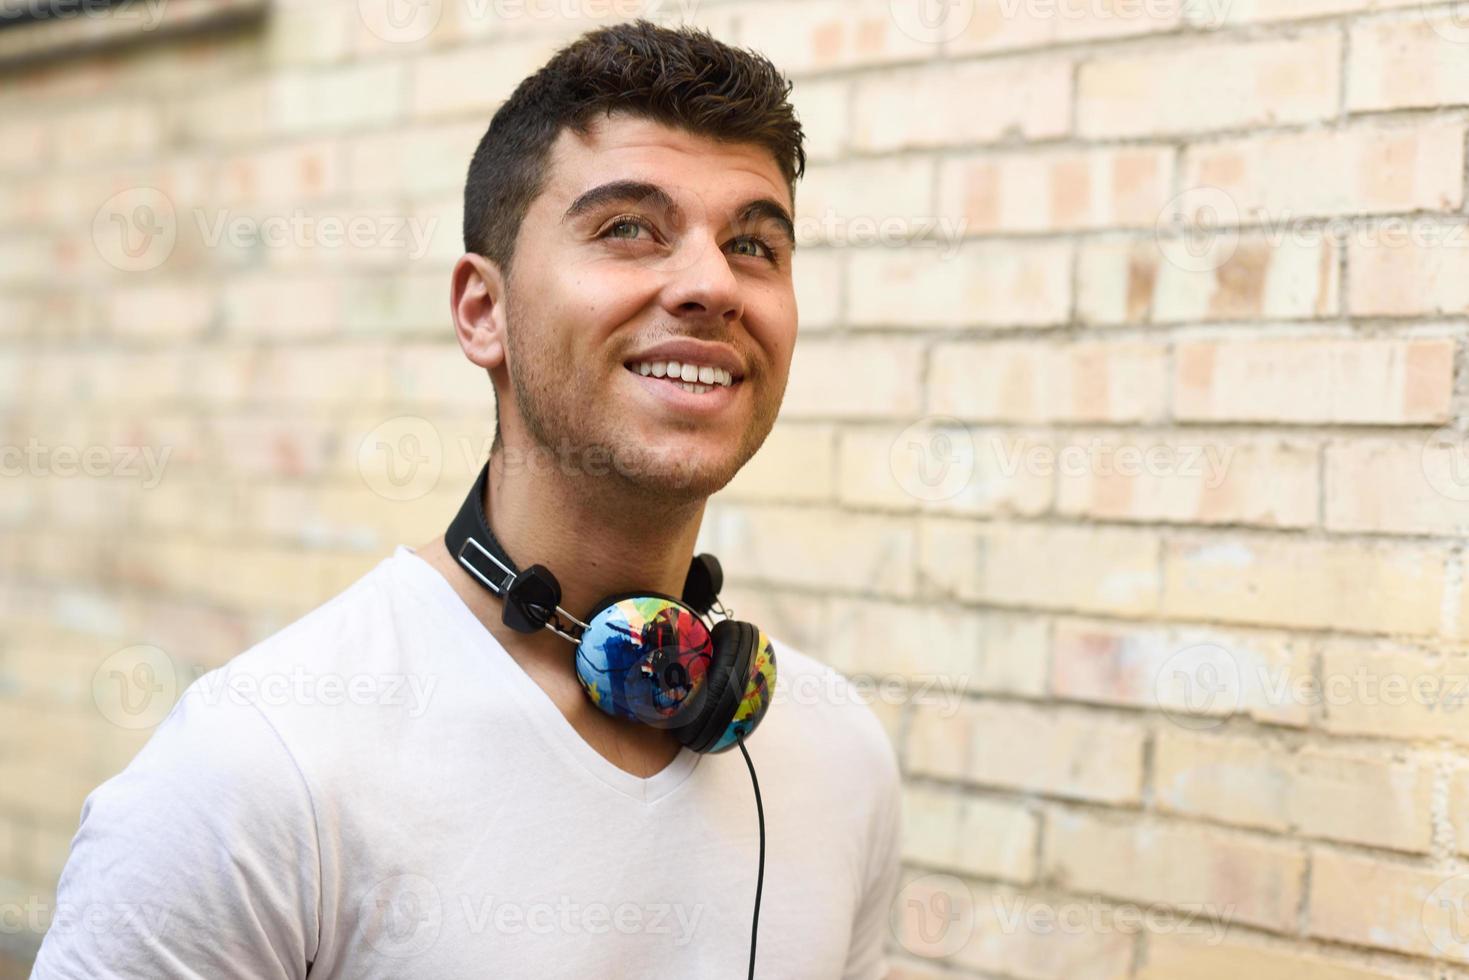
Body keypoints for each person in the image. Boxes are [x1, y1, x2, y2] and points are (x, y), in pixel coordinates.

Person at [30, 18, 901, 979]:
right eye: (626, 229)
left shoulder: (838, 756)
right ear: (482, 312)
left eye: (752, 244)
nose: (709, 282)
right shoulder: (253, 771)